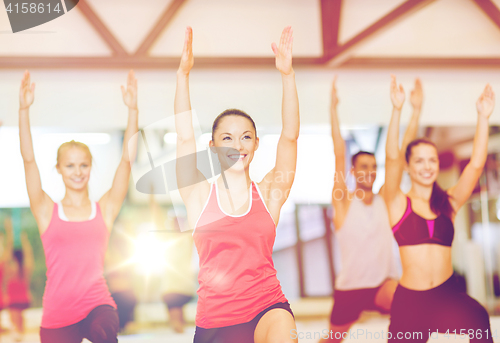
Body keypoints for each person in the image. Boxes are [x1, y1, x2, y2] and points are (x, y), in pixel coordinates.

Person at [174, 26, 299, 343]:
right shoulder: (199, 194)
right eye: (226, 138)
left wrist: (287, 75)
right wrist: (182, 74)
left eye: (245, 137)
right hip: (217, 322)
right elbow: (185, 136)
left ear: (256, 143)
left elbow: (289, 138)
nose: (237, 145)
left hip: (268, 308)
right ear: (213, 147)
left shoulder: (269, 193)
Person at [18, 69, 138, 343]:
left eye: (83, 165)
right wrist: (23, 110)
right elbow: (28, 160)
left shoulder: (104, 210)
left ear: (91, 167)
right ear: (58, 168)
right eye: (70, 165)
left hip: (98, 306)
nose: (77, 171)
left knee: (104, 331)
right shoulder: (46, 210)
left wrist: (133, 111)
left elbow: (126, 161)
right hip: (57, 313)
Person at [384, 76, 495, 342]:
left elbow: (476, 165)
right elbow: (391, 159)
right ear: (408, 167)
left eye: (432, 160)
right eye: (419, 161)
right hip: (410, 302)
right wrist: (397, 110)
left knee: (478, 318)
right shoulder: (397, 202)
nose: (427, 166)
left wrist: (482, 117)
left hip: (446, 296)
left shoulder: (449, 202)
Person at [320, 76, 423, 342]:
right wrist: (333, 109)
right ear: (354, 171)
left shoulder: (385, 200)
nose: (370, 171)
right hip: (350, 289)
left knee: (410, 303)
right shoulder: (343, 200)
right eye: (363, 166)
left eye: (373, 166)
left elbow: (399, 157)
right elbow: (338, 151)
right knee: (332, 340)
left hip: (381, 284)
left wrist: (415, 111)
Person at [7, 232, 33, 342]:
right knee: (20, 323)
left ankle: (18, 337)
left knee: (15, 324)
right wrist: (25, 241)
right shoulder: (26, 268)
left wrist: (10, 235)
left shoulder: (11, 269)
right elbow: (29, 256)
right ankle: (20, 337)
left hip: (13, 300)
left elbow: (6, 255)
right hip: (25, 299)